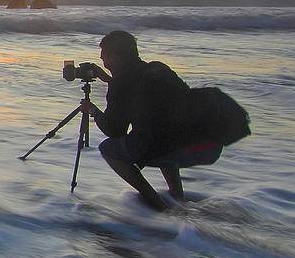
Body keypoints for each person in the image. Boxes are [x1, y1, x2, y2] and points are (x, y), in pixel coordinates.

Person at [83, 30, 220, 210]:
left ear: (116, 56)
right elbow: (139, 88)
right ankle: (178, 199)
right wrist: (110, 80)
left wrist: (92, 110)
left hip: (174, 148)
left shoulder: (121, 84)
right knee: (161, 136)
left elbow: (115, 131)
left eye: (104, 58)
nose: (104, 63)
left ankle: (156, 204)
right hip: (208, 145)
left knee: (109, 149)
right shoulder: (158, 68)